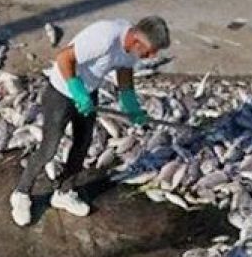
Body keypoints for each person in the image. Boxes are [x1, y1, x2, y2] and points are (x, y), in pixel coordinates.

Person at [10, 16, 170, 227]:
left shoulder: (131, 48)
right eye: (150, 51)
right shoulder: (104, 37)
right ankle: (21, 193)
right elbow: (64, 58)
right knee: (49, 148)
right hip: (62, 91)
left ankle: (64, 192)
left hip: (89, 93)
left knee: (83, 143)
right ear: (136, 40)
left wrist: (130, 103)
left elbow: (124, 69)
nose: (151, 56)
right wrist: (77, 91)